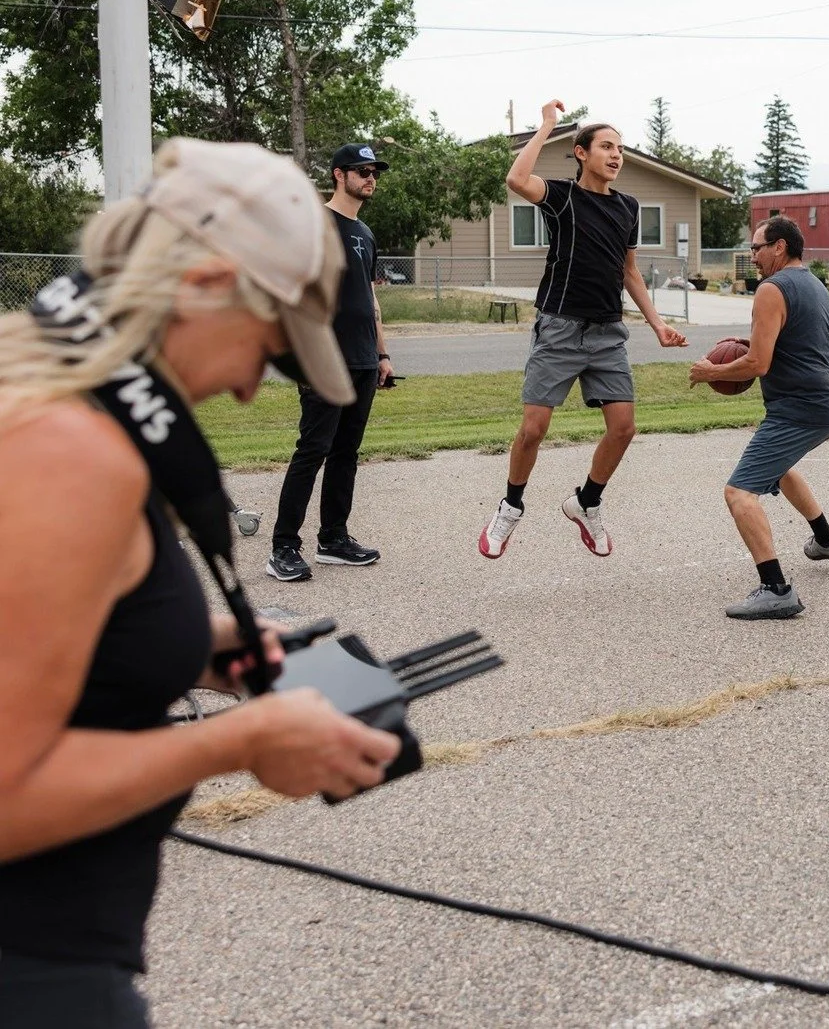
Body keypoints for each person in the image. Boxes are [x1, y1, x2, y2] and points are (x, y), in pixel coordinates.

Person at [0, 139, 400, 1029]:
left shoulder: (52, 391)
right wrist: (238, 743)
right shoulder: (66, 449)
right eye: (272, 347)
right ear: (212, 282)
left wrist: (192, 648)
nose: (258, 389)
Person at [478, 101, 688, 560]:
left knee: (624, 428)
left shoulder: (628, 207)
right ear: (580, 153)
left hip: (607, 333)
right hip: (559, 329)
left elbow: (629, 270)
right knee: (533, 430)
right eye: (607, 147)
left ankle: (586, 502)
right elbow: (516, 180)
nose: (616, 155)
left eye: (621, 148)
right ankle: (510, 507)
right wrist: (547, 126)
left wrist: (656, 323)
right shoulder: (561, 197)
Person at [688, 216, 829, 620]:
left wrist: (711, 372)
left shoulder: (771, 288)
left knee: (739, 494)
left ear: (779, 247)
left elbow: (758, 364)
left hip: (800, 407)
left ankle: (776, 588)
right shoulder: (812, 284)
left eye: (756, 248)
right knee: (779, 470)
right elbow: (795, 340)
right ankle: (826, 540)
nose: (752, 257)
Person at [268, 142, 394, 581]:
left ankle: (333, 539)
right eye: (362, 171)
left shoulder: (364, 233)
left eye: (374, 171)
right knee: (313, 450)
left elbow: (370, 297)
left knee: (346, 453)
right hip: (323, 359)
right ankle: (283, 546)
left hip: (362, 357)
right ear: (339, 175)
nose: (370, 177)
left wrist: (382, 353)